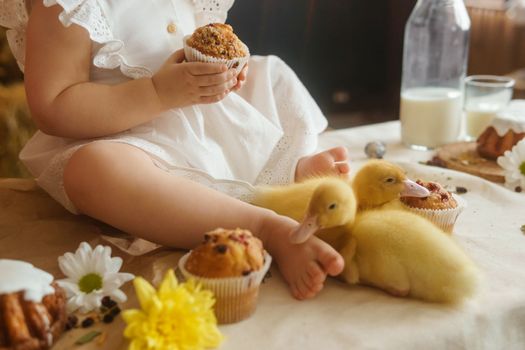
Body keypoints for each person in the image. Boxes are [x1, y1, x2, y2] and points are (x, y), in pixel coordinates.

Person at [1, 0, 350, 300]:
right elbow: (54, 105)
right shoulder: (66, 6)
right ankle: (263, 227)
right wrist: (157, 93)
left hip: (199, 115)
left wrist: (224, 73)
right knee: (94, 170)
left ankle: (287, 166)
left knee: (269, 72)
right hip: (122, 138)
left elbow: (195, 38)